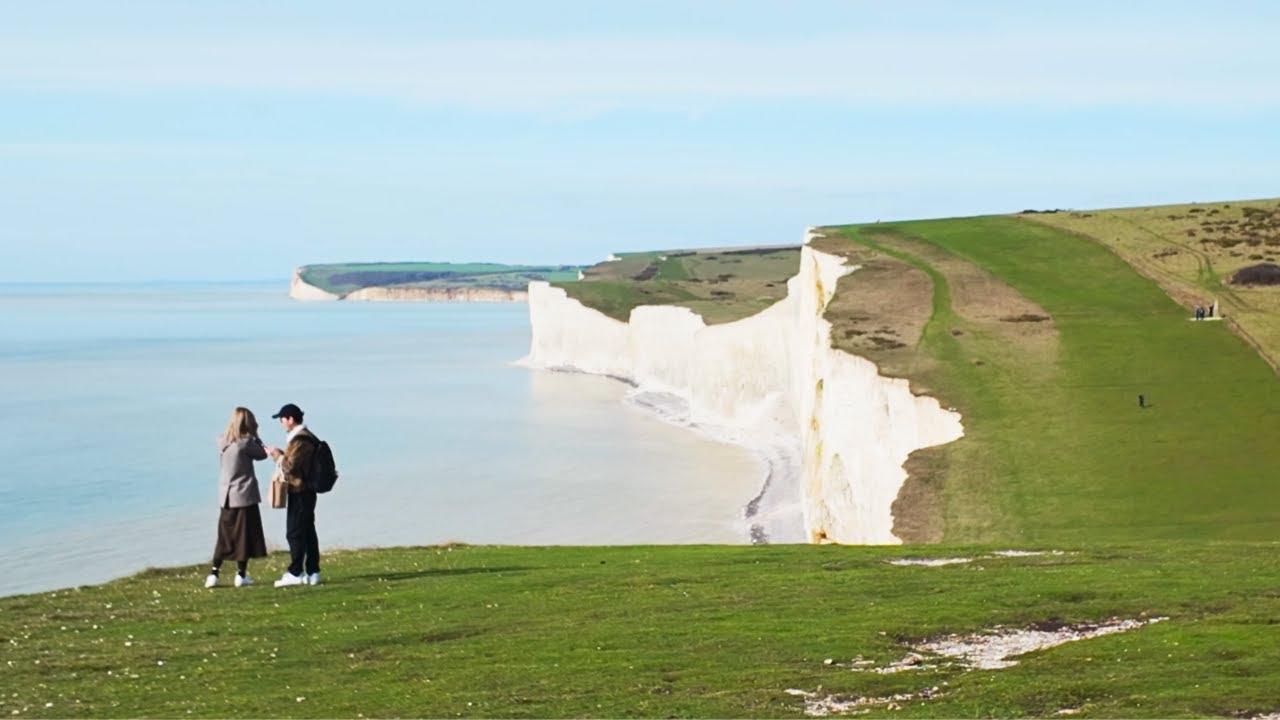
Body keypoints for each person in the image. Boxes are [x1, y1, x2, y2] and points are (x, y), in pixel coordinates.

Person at [205, 407, 270, 588]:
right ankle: (240, 575)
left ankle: (214, 574)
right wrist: (256, 435)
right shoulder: (246, 442)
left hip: (226, 496)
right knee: (244, 536)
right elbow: (263, 454)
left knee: (224, 536)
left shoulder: (223, 441)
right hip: (243, 494)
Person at [266, 403, 322, 587]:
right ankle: (313, 571)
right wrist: (281, 454)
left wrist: (276, 455)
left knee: (294, 532)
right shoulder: (302, 438)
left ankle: (295, 572)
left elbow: (291, 467)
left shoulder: (301, 440)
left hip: (301, 491)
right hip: (305, 491)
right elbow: (294, 462)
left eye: (282, 419)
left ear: (290, 419)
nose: (281, 423)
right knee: (307, 531)